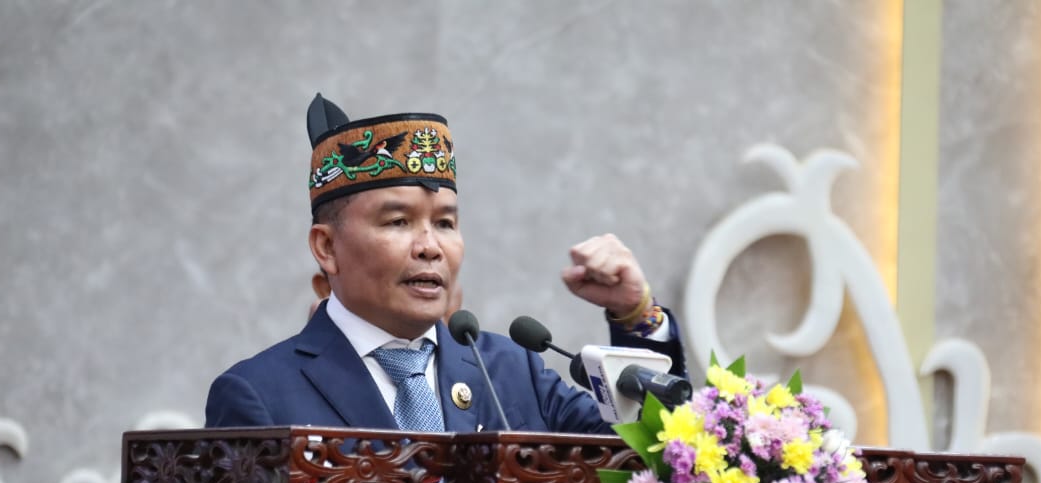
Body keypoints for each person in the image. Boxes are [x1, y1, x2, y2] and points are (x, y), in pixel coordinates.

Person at [205, 93, 684, 432]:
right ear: (326, 248)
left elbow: (645, 473)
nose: (430, 246)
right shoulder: (259, 397)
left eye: (446, 224)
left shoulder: (512, 372)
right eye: (398, 223)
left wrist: (635, 315)